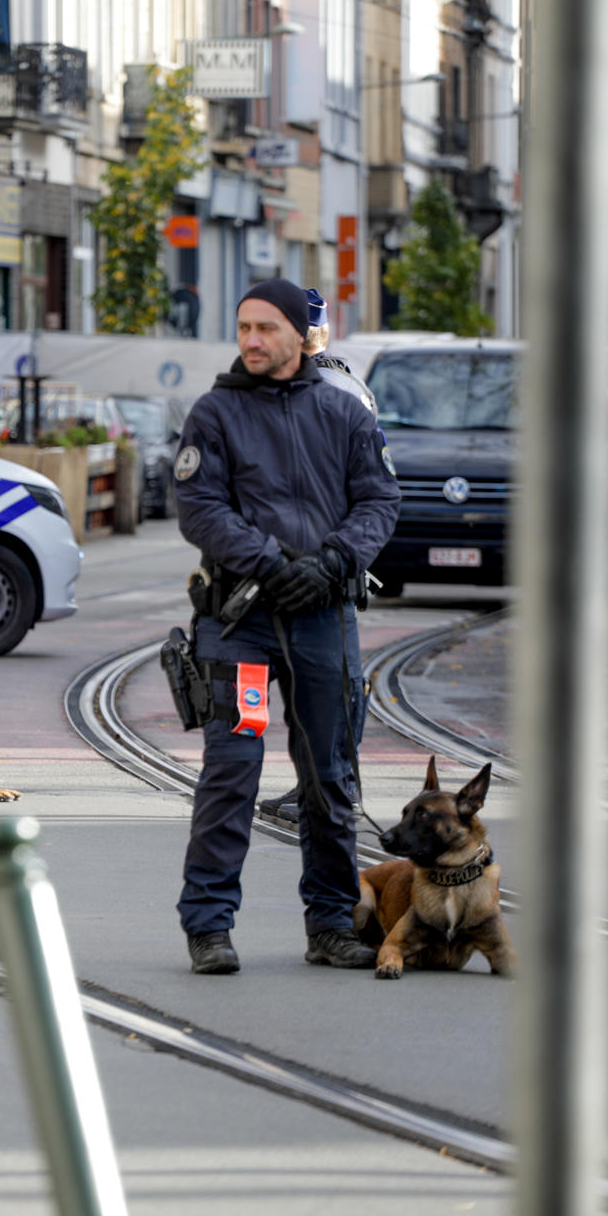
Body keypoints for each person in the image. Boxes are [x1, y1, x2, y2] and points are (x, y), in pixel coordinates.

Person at [173, 278, 400, 974]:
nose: (251, 340)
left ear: (302, 337)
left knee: (330, 777)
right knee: (232, 770)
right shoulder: (213, 415)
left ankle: (331, 923)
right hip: (239, 620)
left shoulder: (345, 414)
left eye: (266, 328)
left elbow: (380, 499)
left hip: (323, 618)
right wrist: (273, 565)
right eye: (243, 327)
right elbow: (199, 507)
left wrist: (333, 561)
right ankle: (209, 926)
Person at [257, 287, 375, 827]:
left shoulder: (322, 387)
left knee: (331, 680)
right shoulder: (339, 382)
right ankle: (320, 786)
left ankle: (331, 791)